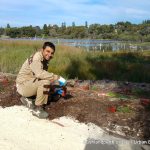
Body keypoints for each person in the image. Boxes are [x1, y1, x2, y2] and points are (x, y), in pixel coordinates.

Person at [16, 41, 65, 119]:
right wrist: (57, 77)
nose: (49, 54)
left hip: (29, 84)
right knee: (45, 83)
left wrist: (54, 87)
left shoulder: (44, 59)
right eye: (48, 51)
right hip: (23, 85)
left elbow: (42, 76)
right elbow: (39, 74)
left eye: (52, 53)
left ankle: (27, 98)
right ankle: (38, 109)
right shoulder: (37, 58)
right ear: (42, 50)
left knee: (48, 89)